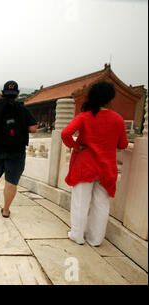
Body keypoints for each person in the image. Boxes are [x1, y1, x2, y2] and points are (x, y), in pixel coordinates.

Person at [61, 81, 128, 246]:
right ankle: (96, 239)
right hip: (107, 168)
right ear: (110, 99)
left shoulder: (84, 116)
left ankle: (77, 236)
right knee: (101, 204)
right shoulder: (118, 119)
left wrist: (76, 146)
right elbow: (123, 145)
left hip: (85, 166)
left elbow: (65, 134)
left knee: (81, 202)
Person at [0, 80, 38, 217]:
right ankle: (5, 210)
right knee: (11, 181)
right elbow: (33, 128)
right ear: (17, 94)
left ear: (3, 93)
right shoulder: (22, 108)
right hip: (16, 151)